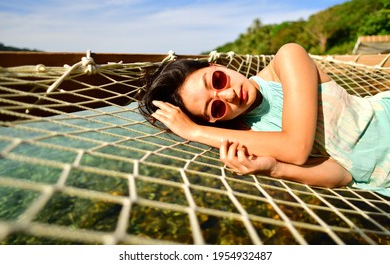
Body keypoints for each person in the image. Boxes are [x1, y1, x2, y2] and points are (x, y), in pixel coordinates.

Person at [139, 43, 390, 197]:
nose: (229, 95)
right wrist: (274, 169)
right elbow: (344, 175)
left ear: (216, 65)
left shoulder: (287, 59)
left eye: (217, 80)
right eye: (216, 108)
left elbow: (296, 148)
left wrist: (194, 132)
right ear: (213, 121)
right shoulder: (249, 137)